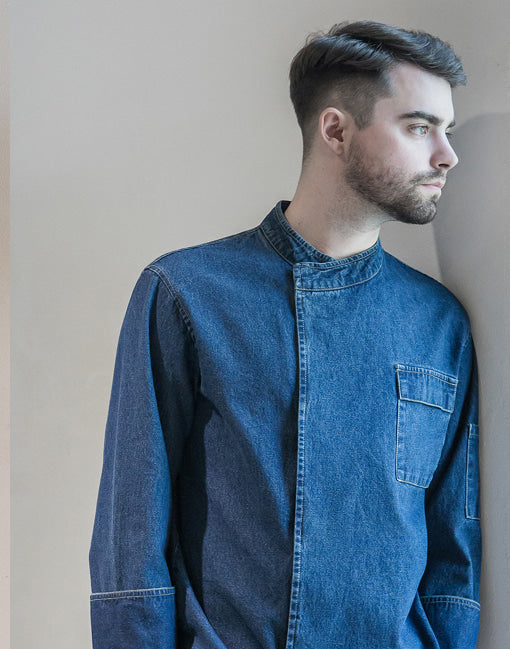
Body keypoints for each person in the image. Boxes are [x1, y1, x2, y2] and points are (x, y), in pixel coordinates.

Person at [89, 20, 482, 649]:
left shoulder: (439, 322)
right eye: (419, 127)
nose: (447, 155)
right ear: (336, 130)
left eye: (448, 131)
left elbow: (453, 555)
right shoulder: (187, 293)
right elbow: (130, 534)